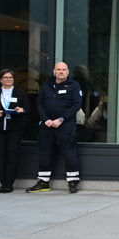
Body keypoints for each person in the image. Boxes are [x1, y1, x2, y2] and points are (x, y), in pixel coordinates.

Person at [26, 62, 83, 194]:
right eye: (58, 69)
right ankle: (43, 182)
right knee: (45, 152)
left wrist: (61, 119)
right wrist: (45, 119)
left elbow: (76, 105)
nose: (61, 72)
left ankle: (73, 181)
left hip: (66, 124)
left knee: (69, 152)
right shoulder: (47, 85)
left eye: (64, 69)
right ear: (54, 71)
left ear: (68, 72)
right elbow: (39, 103)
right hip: (47, 125)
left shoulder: (74, 86)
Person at [0, 68, 30, 193]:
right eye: (5, 77)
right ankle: (2, 183)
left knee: (12, 155)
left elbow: (27, 110)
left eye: (10, 77)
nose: (8, 80)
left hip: (14, 129)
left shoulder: (20, 93)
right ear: (0, 80)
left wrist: (21, 110)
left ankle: (9, 184)